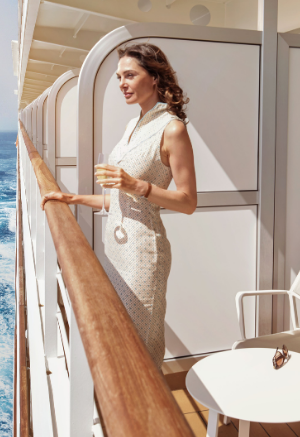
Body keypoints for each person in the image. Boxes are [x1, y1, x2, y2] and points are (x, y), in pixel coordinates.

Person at [42, 41, 198, 361]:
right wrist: (71, 198)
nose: (121, 84)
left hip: (143, 252)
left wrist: (137, 185)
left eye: (129, 75)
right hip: (116, 247)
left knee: (142, 343)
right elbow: (120, 200)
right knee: (121, 337)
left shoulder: (172, 129)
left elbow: (187, 201)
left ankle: (148, 407)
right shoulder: (133, 125)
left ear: (154, 78)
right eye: (118, 77)